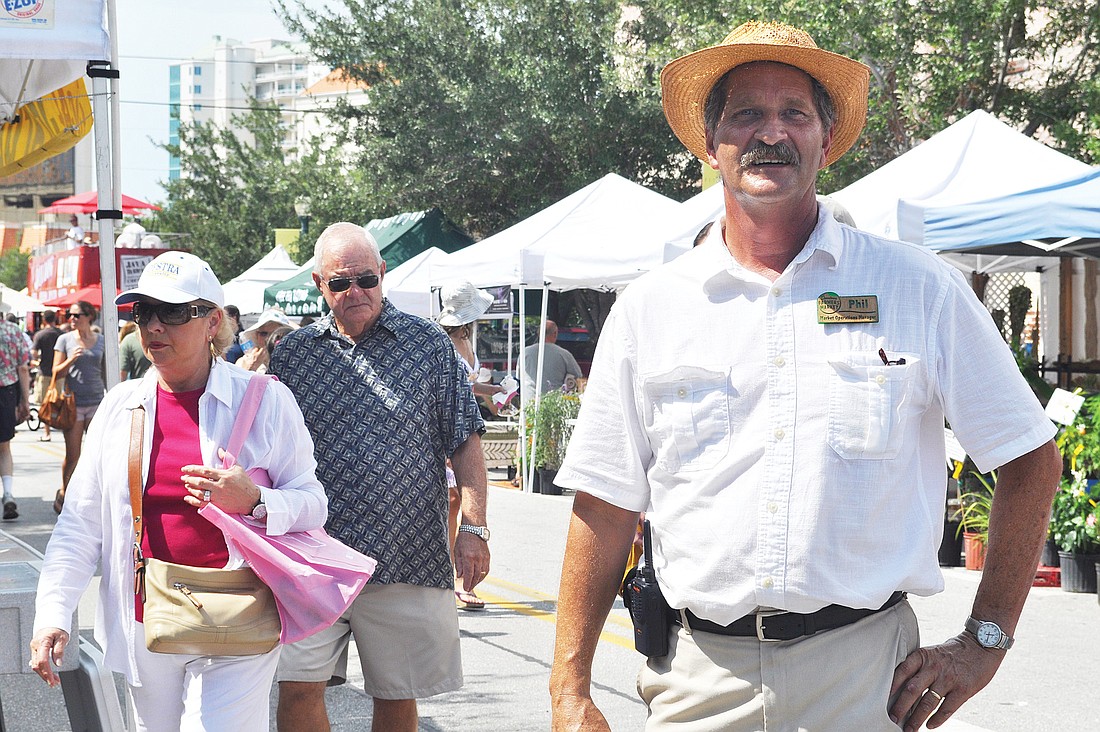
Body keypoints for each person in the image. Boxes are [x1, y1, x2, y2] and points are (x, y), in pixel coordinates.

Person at [548, 20, 1062, 732]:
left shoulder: (919, 289)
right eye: (746, 114)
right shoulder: (651, 308)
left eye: (794, 113)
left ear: (826, 138)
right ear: (709, 143)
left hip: (867, 680)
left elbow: (1030, 457)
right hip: (699, 679)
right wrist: (569, 687)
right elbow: (605, 504)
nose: (771, 133)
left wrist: (986, 640)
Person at [29, 251, 327, 730]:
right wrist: (53, 614)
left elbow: (314, 503)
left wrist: (255, 500)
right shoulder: (121, 407)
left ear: (212, 322)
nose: (154, 327)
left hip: (240, 615)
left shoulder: (266, 400)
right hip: (147, 621)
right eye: (143, 313)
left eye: (171, 312)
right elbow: (81, 524)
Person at [270, 222, 490, 732]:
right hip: (311, 562)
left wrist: (474, 528)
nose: (356, 293)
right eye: (340, 283)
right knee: (297, 689)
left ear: (382, 273)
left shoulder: (430, 347)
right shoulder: (295, 354)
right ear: (319, 286)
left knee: (397, 696)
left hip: (406, 556)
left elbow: (465, 442)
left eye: (365, 278)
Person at [438, 281, 504, 610]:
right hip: (450, 433)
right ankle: (451, 579)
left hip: (468, 430)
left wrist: (497, 393)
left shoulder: (466, 340)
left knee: (457, 503)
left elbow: (470, 388)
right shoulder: (443, 343)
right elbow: (448, 393)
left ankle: (455, 576)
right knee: (453, 503)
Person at [52, 300, 106, 514]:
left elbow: (105, 370)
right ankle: (65, 493)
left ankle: (92, 497)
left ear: (89, 316)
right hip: (74, 404)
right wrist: (71, 360)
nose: (72, 319)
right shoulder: (64, 339)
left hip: (97, 402)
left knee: (97, 454)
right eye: (70, 315)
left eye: (76, 315)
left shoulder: (101, 340)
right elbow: (56, 372)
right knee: (73, 454)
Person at [0, 314, 30, 519]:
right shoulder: (13, 331)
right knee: (4, 447)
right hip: (6, 392)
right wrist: (25, 401)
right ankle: (8, 493)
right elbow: (23, 368)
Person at [522, 320, 582, 395]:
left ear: (538, 333)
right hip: (554, 401)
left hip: (529, 400)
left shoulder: (525, 352)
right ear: (555, 334)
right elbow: (578, 375)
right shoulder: (564, 354)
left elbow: (519, 376)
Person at [31, 310, 62, 442]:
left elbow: (34, 353)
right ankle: (61, 424)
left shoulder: (40, 335)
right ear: (55, 319)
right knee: (60, 401)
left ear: (44, 320)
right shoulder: (61, 334)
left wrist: (37, 360)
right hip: (59, 373)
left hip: (44, 372)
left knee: (45, 403)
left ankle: (47, 432)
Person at [238, 308, 297, 373]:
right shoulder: (244, 362)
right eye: (264, 334)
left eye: (275, 333)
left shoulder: (294, 362)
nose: (268, 338)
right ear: (257, 336)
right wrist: (250, 368)